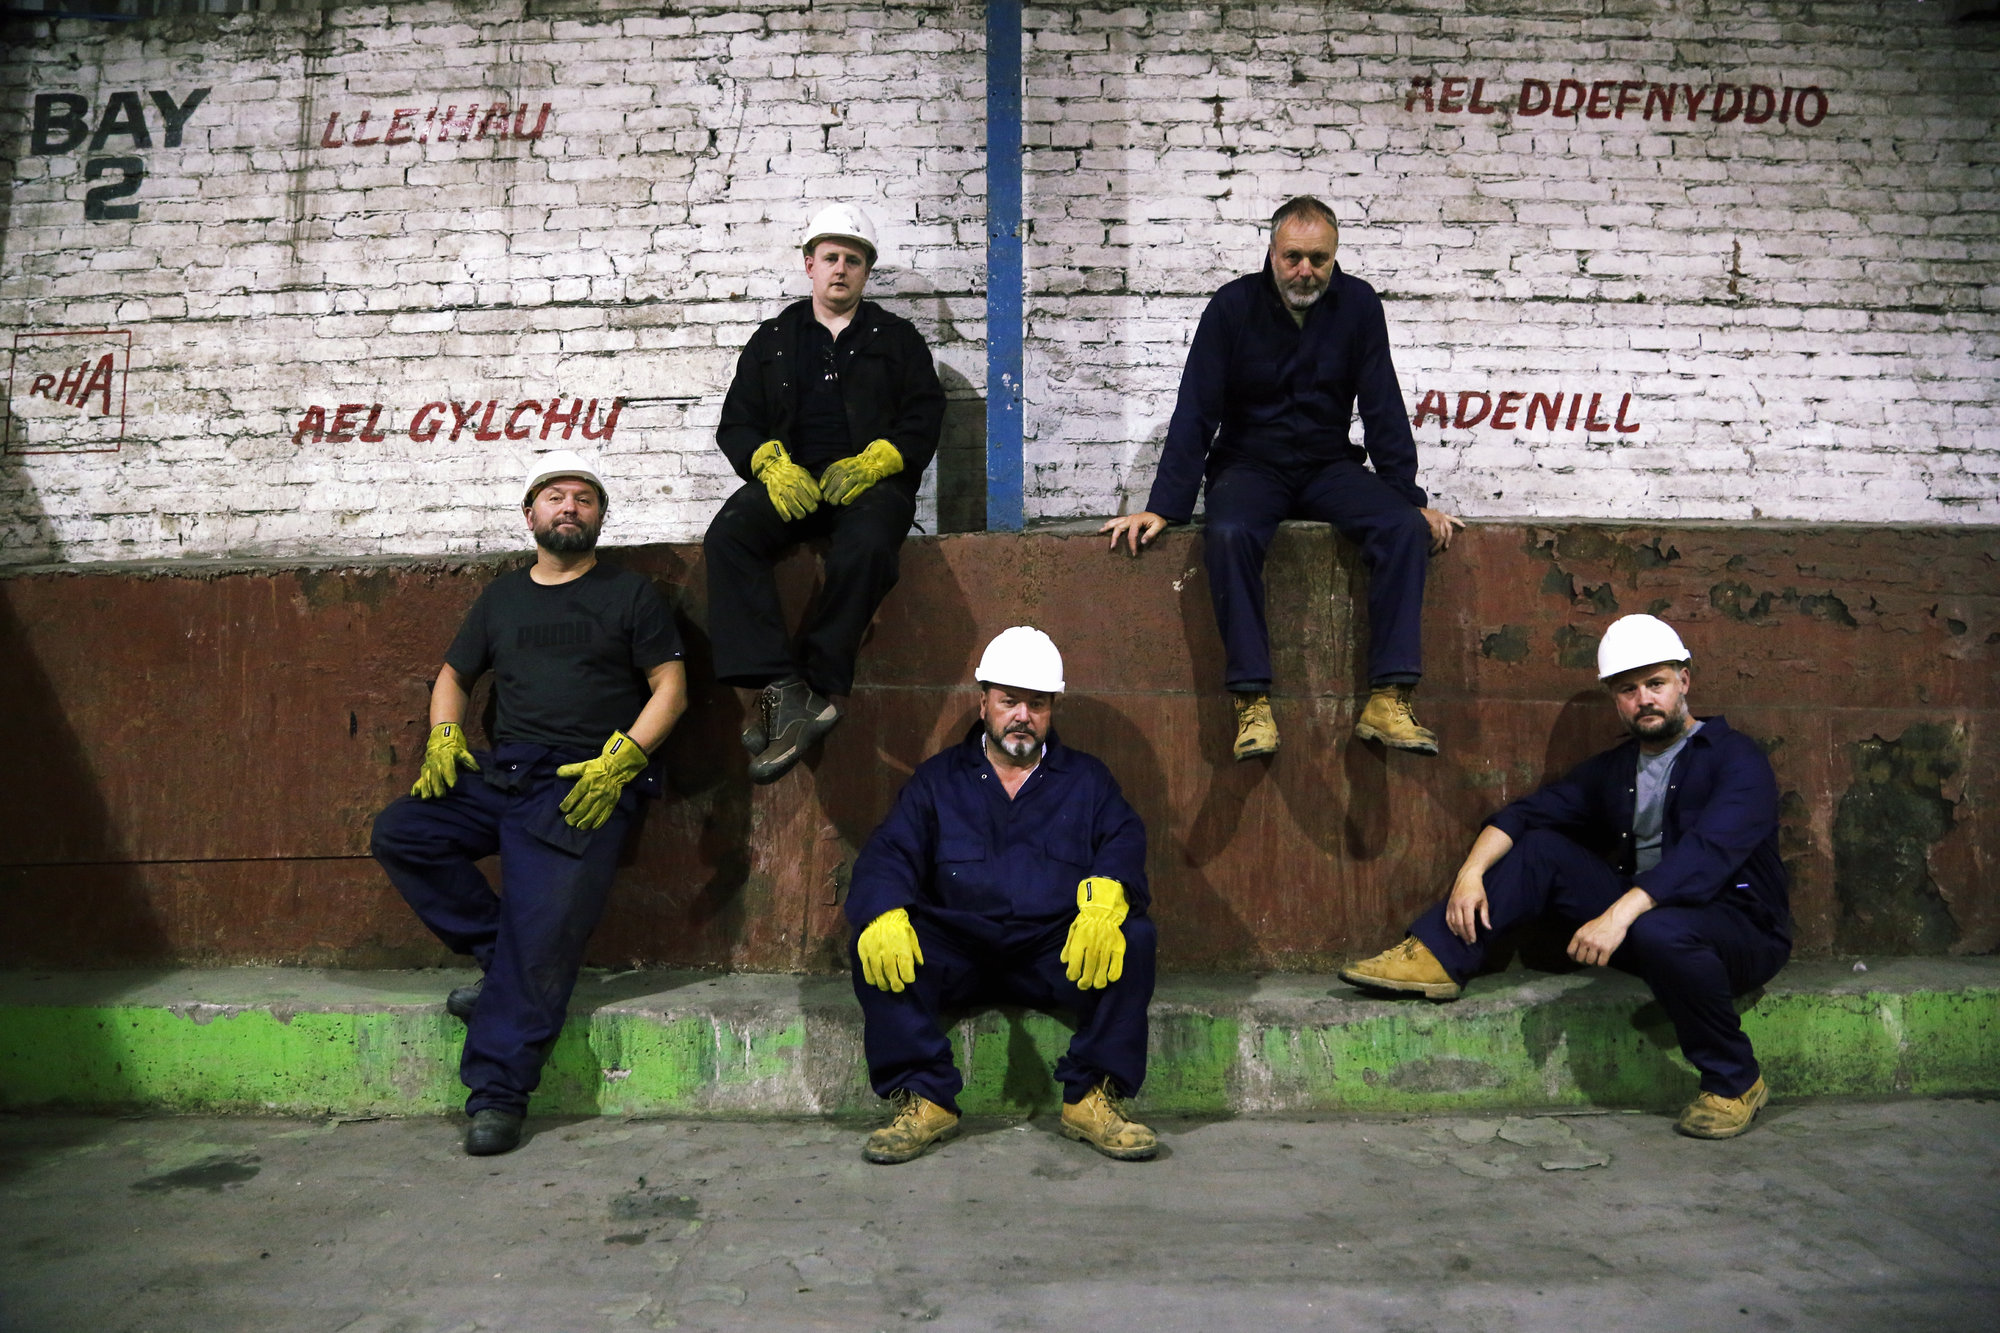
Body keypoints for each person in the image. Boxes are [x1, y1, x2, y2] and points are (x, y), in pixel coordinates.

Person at [1340, 614, 1792, 1139]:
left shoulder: (1737, 758)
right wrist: (1470, 872)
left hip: (1739, 932)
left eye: (1656, 684)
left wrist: (1618, 915)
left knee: (1659, 928)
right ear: (1614, 699)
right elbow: (1528, 815)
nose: (1644, 699)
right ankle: (1441, 955)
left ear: (1683, 682)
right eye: (1628, 690)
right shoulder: (1615, 769)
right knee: (1541, 849)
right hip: (1645, 926)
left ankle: (1736, 1082)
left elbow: (1708, 852)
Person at [370, 450, 688, 1156]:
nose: (569, 506)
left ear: (601, 517)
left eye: (584, 498)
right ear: (530, 515)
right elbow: (454, 673)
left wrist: (625, 758)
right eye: (555, 496)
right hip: (503, 773)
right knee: (404, 830)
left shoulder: (630, 595)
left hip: (582, 785)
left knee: (542, 941)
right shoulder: (502, 598)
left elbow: (671, 685)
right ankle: (496, 955)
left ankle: (498, 1093)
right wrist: (444, 734)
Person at [1100, 195, 1462, 762]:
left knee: (1400, 528)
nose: (1305, 271)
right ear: (1271, 252)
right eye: (1293, 257)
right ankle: (1252, 704)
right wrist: (1163, 507)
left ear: (1334, 256)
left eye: (1319, 258)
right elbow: (1196, 408)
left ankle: (1389, 700)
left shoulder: (1359, 304)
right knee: (1228, 531)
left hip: (1327, 465)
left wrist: (1408, 499)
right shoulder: (1232, 307)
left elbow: (1384, 404)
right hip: (1250, 465)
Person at [844, 627, 1159, 1164]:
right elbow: (890, 851)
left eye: (1036, 704)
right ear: (983, 702)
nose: (1022, 716)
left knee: (1134, 936)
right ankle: (925, 1097)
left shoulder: (1087, 780)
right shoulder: (937, 780)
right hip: (958, 949)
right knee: (877, 938)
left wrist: (1110, 893)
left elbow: (1123, 840)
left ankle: (1090, 1096)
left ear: (1052, 708)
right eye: (1009, 701)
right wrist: (881, 908)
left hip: (1051, 951)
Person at [705, 203, 946, 784]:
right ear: (809, 265)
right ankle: (783, 687)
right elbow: (737, 422)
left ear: (866, 271)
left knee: (868, 545)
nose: (841, 269)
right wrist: (766, 461)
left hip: (868, 484)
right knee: (728, 536)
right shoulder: (772, 339)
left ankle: (814, 685)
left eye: (853, 260)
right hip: (793, 482)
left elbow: (925, 412)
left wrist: (883, 458)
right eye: (831, 258)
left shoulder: (897, 337)